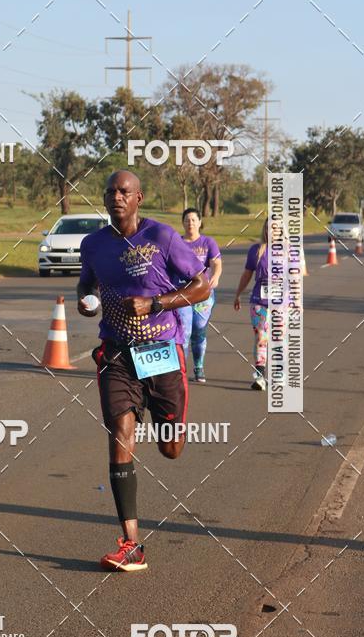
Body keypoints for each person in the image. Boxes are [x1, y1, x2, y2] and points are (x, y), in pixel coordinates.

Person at [77, 170, 210, 572]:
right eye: (110, 191)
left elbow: (201, 286)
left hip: (162, 353)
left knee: (170, 448)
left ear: (139, 198)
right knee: (120, 435)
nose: (116, 196)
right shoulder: (93, 245)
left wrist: (157, 304)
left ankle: (164, 417)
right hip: (117, 355)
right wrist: (86, 301)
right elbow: (86, 286)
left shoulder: (162, 237)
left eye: (124, 191)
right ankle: (132, 545)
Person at [178, 208, 222, 383]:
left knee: (198, 330)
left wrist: (216, 276)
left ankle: (198, 366)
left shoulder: (207, 242)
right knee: (185, 332)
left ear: (199, 222)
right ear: (183, 223)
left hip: (203, 294)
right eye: (187, 220)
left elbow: (216, 263)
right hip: (182, 293)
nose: (190, 223)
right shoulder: (177, 242)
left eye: (194, 220)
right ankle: (181, 371)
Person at [233, 219, 269, 391]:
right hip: (258, 301)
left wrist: (296, 302)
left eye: (276, 228)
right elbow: (247, 274)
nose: (272, 231)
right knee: (261, 336)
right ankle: (260, 375)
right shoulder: (256, 250)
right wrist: (238, 294)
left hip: (282, 304)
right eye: (269, 228)